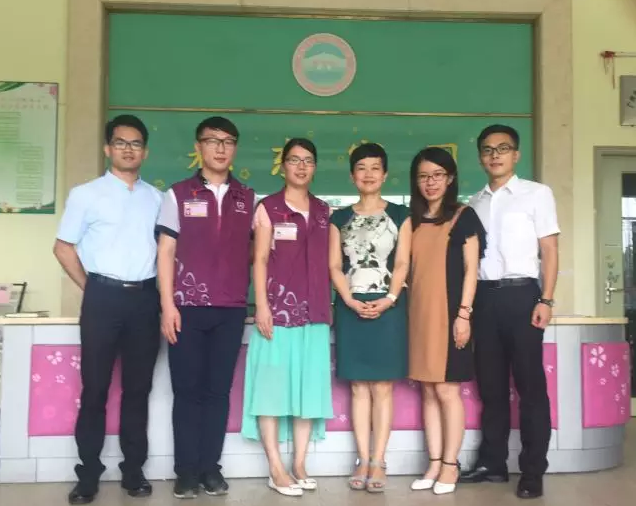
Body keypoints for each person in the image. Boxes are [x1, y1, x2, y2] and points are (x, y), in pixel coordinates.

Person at [54, 115, 162, 504]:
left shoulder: (157, 198)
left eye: (136, 143)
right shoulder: (86, 194)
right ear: (107, 148)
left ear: (145, 152)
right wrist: (92, 287)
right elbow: (63, 247)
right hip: (102, 297)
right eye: (120, 142)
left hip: (145, 299)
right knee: (96, 388)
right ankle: (88, 475)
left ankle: (133, 472)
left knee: (138, 390)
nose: (128, 149)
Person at [155, 117, 255, 499]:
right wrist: (168, 305)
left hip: (230, 309)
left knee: (218, 392)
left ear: (235, 148)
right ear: (198, 147)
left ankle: (211, 469)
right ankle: (185, 472)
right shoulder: (178, 195)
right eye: (212, 140)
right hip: (187, 308)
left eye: (228, 141)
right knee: (187, 392)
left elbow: (257, 253)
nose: (220, 148)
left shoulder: (248, 199)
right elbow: (166, 252)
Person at [460, 125, 559, 499]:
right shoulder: (474, 202)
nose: (495, 155)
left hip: (523, 297)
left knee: (530, 388)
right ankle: (493, 463)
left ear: (515, 155)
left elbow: (549, 250)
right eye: (488, 150)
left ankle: (533, 471)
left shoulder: (537, 194)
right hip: (485, 299)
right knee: (491, 388)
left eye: (502, 148)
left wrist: (546, 299)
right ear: (480, 157)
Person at [241, 138, 333, 497]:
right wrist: (262, 306)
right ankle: (276, 468)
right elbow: (260, 259)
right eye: (294, 160)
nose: (301, 166)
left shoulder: (323, 211)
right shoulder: (269, 208)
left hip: (315, 312)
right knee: (272, 388)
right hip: (277, 312)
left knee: (308, 388)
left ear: (315, 167)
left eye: (308, 160)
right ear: (283, 166)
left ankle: (299, 464)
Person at [329, 143, 411, 493]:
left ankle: (379, 461)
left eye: (375, 167)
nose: (368, 174)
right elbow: (334, 265)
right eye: (361, 168)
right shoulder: (338, 218)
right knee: (359, 386)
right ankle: (362, 459)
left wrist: (390, 299)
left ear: (385, 174)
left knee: (382, 387)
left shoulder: (401, 215)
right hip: (350, 306)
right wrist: (348, 299)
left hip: (389, 306)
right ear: (352, 176)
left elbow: (403, 262)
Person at [407, 147, 485, 495]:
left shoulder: (464, 216)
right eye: (424, 176)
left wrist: (464, 314)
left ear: (450, 178)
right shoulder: (413, 220)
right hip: (419, 315)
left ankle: (451, 465)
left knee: (447, 390)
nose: (431, 182)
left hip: (451, 314)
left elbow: (471, 270)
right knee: (427, 388)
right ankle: (434, 462)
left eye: (438, 175)